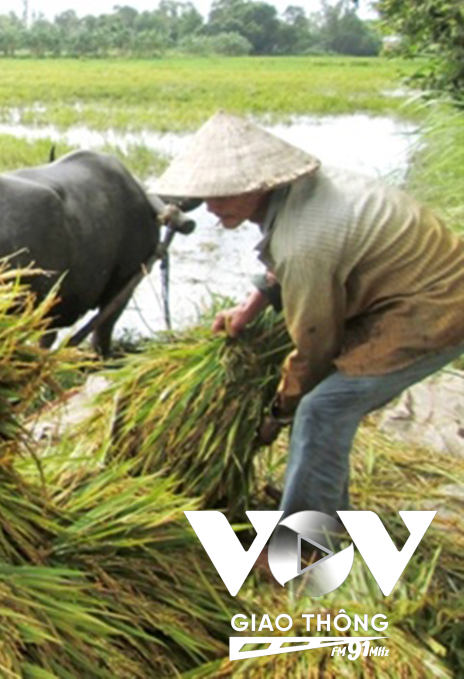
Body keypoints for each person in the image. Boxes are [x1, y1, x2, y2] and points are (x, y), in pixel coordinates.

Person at [150, 111, 464, 519]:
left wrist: (278, 413)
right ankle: (323, 509)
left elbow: (315, 346)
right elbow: (292, 259)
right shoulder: (303, 193)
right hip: (408, 291)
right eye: (207, 195)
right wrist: (251, 305)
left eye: (224, 194)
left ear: (258, 184)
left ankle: (305, 545)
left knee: (321, 409)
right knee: (325, 411)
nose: (212, 207)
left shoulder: (304, 242)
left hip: (434, 310)